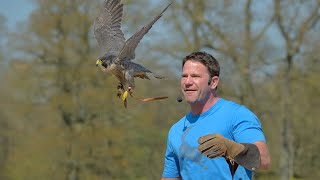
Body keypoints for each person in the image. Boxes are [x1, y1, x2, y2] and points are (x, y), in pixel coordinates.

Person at [161, 51, 270, 180]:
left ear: (213, 82)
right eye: (184, 76)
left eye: (195, 76)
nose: (187, 82)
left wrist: (232, 148)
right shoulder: (176, 130)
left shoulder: (237, 115)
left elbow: (264, 161)